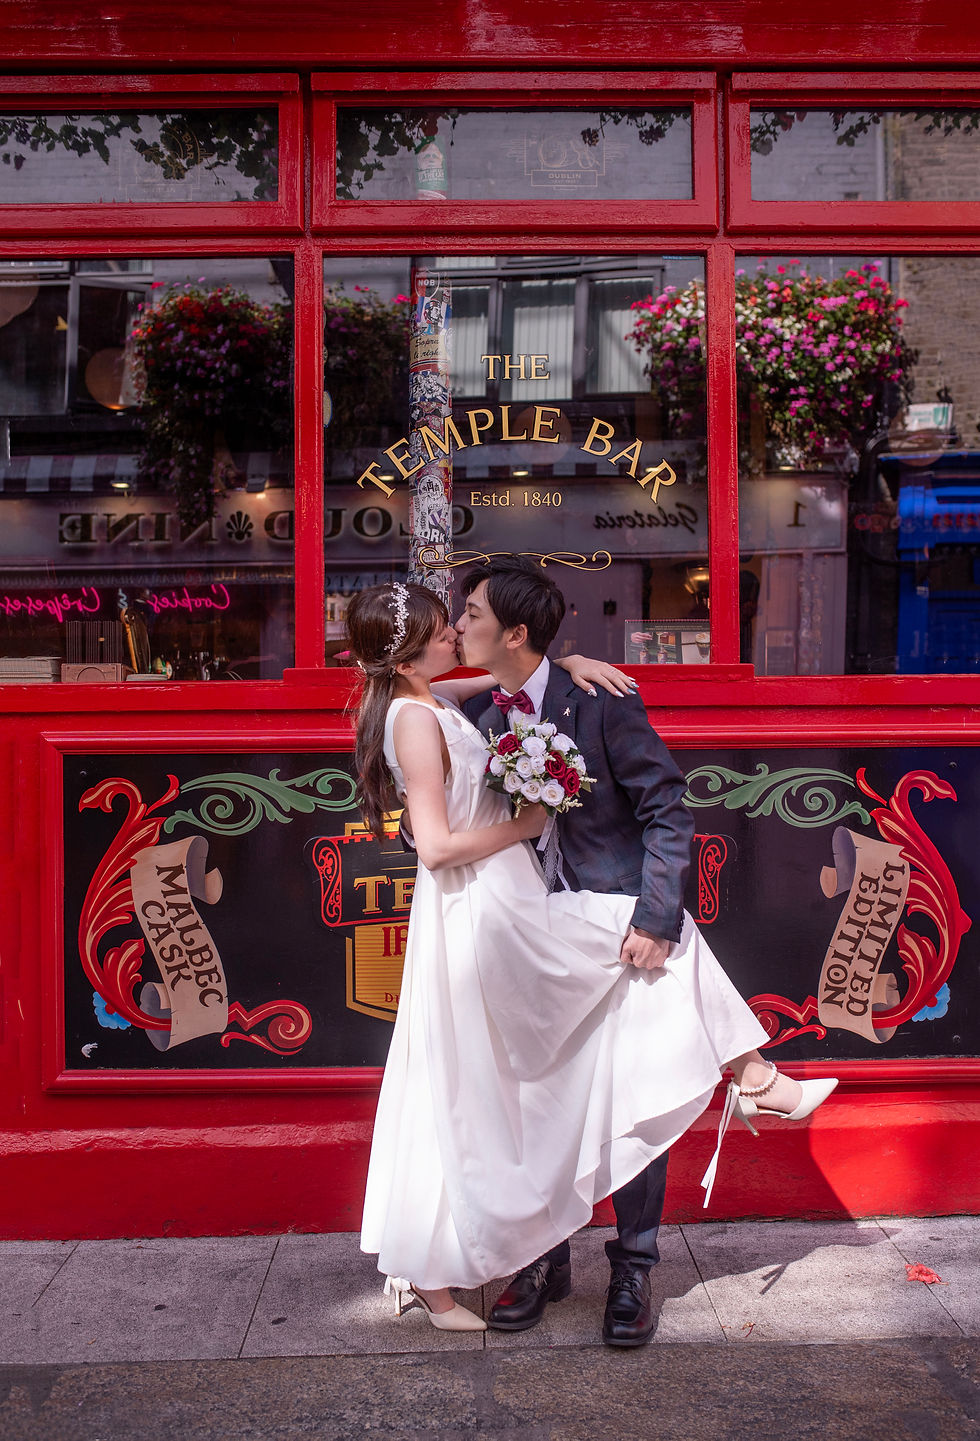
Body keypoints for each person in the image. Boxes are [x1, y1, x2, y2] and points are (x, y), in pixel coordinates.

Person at [349, 574, 837, 1343]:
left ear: (512, 635)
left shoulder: (584, 697)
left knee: (646, 1009)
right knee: (534, 1086)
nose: (458, 630)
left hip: (551, 906)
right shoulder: (450, 708)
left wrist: (569, 659)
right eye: (450, 622)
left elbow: (666, 808)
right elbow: (431, 828)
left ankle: (633, 1263)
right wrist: (521, 822)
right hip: (503, 916)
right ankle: (750, 1080)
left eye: (468, 616)